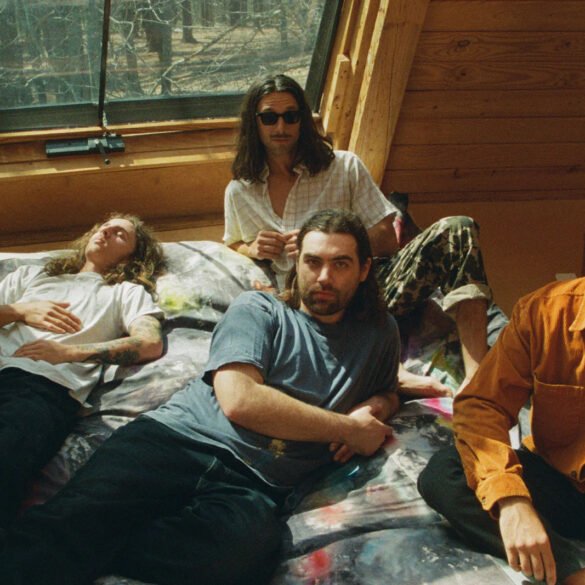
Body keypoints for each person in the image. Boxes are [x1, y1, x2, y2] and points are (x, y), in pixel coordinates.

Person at [0, 209, 401, 585]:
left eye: (340, 264)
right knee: (66, 526)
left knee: (243, 556)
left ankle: (95, 544)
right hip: (176, 439)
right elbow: (240, 401)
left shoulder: (381, 333)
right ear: (297, 264)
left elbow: (389, 387)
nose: (324, 277)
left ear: (365, 269)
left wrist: (379, 405)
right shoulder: (259, 308)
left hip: (258, 480)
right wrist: (348, 428)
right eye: (313, 262)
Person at [224, 73, 492, 393]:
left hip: (370, 284)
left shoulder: (344, 167)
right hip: (309, 304)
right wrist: (251, 248)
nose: (281, 127)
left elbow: (387, 239)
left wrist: (334, 244)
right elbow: (232, 243)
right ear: (254, 122)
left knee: (457, 228)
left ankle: (478, 380)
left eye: (290, 116)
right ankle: (391, 376)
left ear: (303, 120)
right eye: (269, 118)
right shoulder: (240, 191)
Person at [0, 213, 166, 529]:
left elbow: (149, 343)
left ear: (133, 256)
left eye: (121, 234)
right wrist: (19, 310)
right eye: (105, 226)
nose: (107, 230)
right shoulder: (32, 276)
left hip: (39, 387)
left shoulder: (124, 292)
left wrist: (68, 353)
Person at [418, 277, 585, 585]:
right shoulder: (545, 311)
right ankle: (569, 571)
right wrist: (511, 499)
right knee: (445, 473)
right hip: (563, 486)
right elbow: (481, 404)